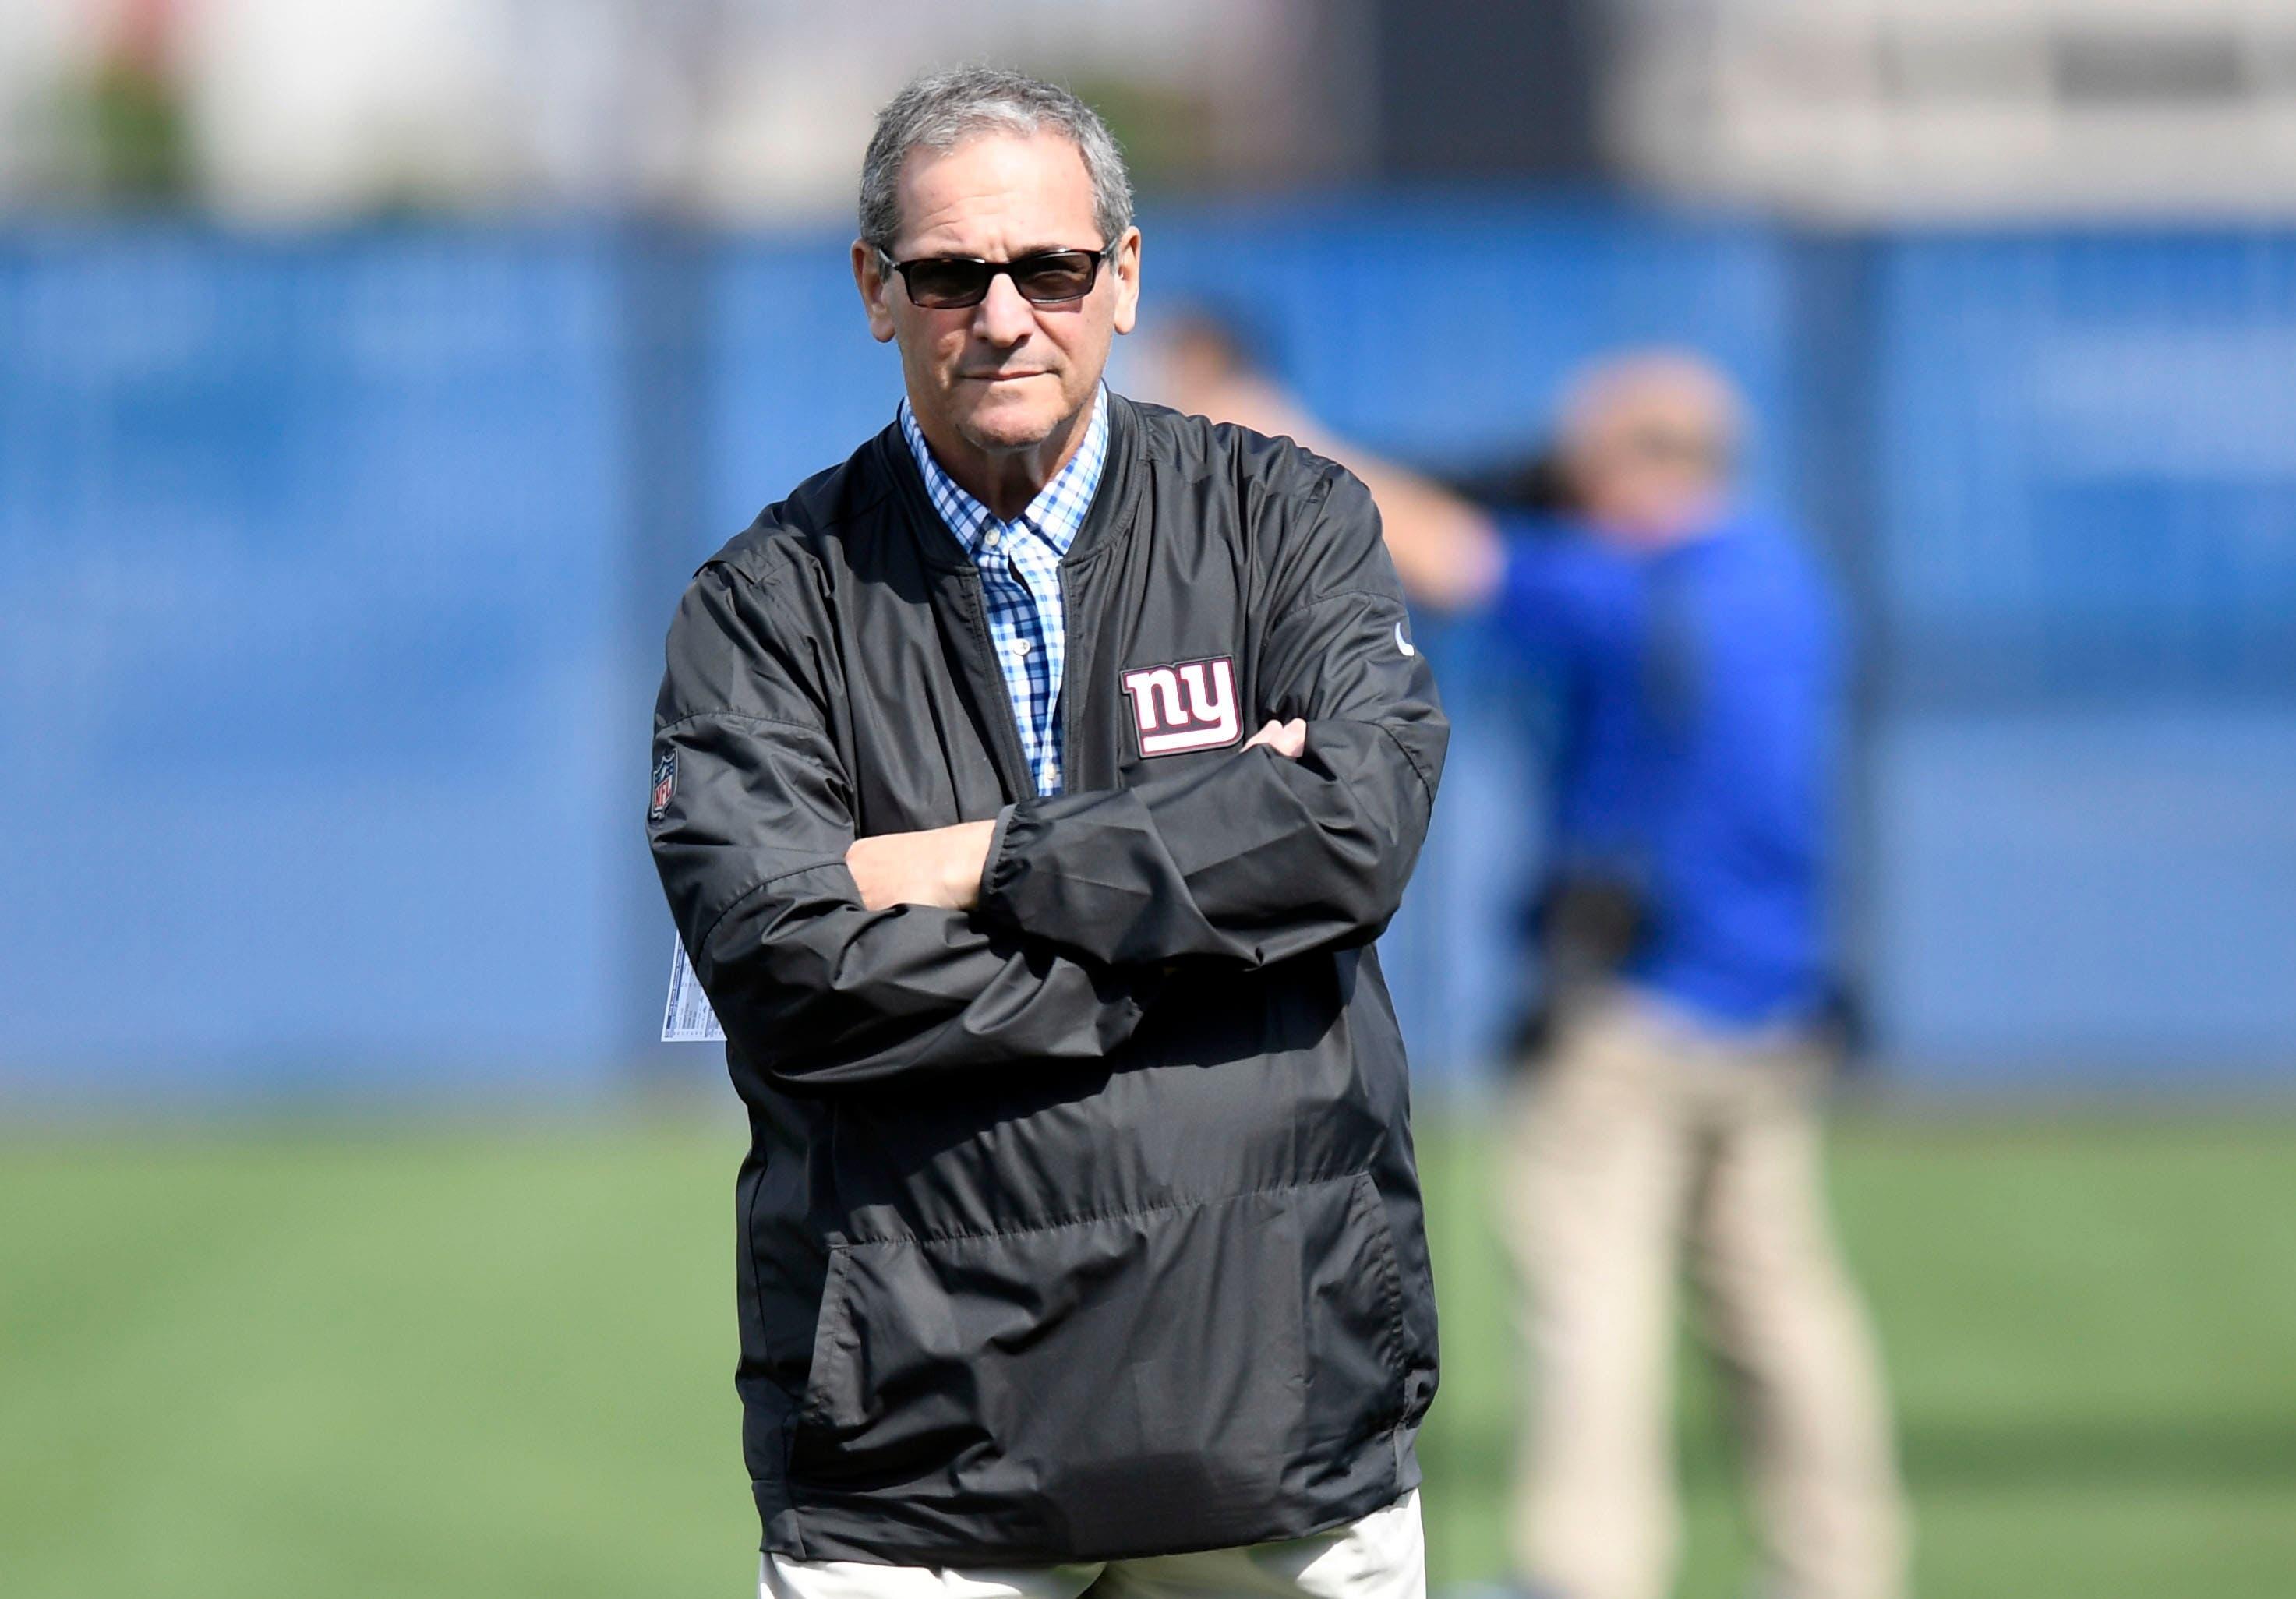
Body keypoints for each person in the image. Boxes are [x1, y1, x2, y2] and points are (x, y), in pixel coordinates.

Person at [645, 67, 1450, 1599]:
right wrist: (1204, 920)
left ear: (1125, 277)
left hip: (1272, 1428)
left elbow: (1354, 828)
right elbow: (780, 958)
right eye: (953, 274)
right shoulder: (763, 605)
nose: (1006, 315)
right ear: (878, 291)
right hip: (913, 1458)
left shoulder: (1292, 522)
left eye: (1053, 267)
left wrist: (981, 865)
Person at [1161, 343, 1907, 1599]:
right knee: (1782, 1314)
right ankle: (1840, 1568)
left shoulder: (1633, 590)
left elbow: (1444, 548)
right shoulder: (1788, 584)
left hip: (1635, 1010)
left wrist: (1265, 428)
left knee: (1589, 1304)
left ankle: (1581, 1574)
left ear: (1625, 465)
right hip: (1775, 1006)